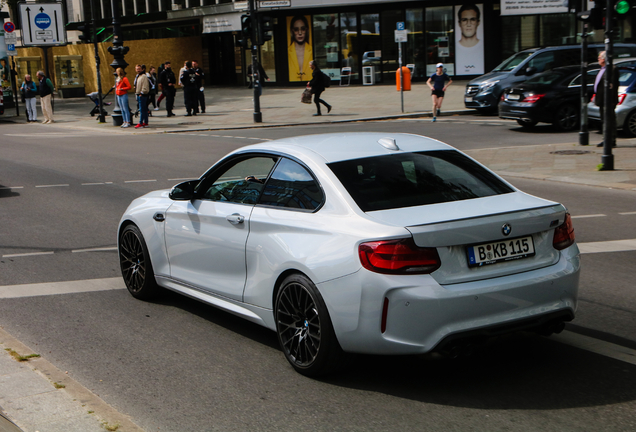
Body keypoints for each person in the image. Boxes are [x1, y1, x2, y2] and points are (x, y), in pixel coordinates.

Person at [593, 51, 619, 147]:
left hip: (608, 100)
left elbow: (613, 85)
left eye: (599, 57)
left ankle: (610, 140)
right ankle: (606, 139)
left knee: (609, 120)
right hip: (601, 98)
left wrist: (611, 100)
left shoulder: (612, 69)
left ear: (604, 59)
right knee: (604, 120)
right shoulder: (602, 69)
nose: (598, 59)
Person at [456, 4, 484, 75]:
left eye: (472, 19)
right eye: (464, 20)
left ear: (478, 22)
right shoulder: (454, 46)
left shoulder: (484, 45)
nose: (468, 24)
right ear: (459, 23)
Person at [288, 16, 313, 82]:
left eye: (303, 29)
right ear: (292, 31)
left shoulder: (312, 50)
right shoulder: (287, 51)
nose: (300, 33)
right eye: (296, 29)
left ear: (306, 30)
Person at [134, 64, 150, 128]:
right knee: (144, 109)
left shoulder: (144, 76)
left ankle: (140, 122)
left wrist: (142, 93)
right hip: (139, 94)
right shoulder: (138, 76)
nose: (138, 70)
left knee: (142, 109)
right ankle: (145, 122)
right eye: (137, 69)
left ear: (142, 69)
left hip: (142, 95)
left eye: (139, 69)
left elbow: (145, 86)